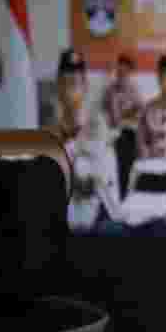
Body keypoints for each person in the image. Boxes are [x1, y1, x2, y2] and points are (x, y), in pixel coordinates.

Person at [50, 49, 120, 231]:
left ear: (85, 86)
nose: (72, 90)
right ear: (58, 87)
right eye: (66, 82)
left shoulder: (98, 129)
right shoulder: (49, 136)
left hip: (95, 228)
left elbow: (94, 183)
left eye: (77, 82)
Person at [100, 53, 143, 198]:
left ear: (129, 71)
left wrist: (128, 115)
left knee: (125, 171)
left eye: (124, 70)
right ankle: (119, 197)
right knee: (114, 172)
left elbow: (141, 110)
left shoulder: (134, 88)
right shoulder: (110, 89)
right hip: (112, 134)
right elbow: (104, 109)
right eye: (119, 69)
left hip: (128, 135)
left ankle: (125, 197)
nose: (120, 72)